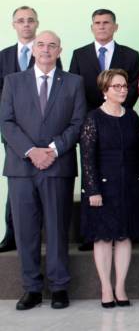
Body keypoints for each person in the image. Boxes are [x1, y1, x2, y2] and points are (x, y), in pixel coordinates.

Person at [0, 31, 85, 310]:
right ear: (33, 49)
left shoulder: (74, 82)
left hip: (57, 165)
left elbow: (77, 123)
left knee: (58, 228)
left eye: (52, 45)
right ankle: (32, 288)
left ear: (60, 50)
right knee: (25, 231)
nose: (46, 49)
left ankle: (59, 287)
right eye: (41, 44)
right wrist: (31, 151)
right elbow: (7, 122)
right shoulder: (13, 81)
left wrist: (53, 149)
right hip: (21, 167)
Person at [79, 69, 139, 308]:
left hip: (130, 186)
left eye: (124, 86)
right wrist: (93, 190)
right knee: (103, 238)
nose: (122, 90)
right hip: (103, 189)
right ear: (104, 91)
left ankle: (120, 287)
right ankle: (106, 288)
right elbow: (87, 158)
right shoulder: (93, 118)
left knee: (124, 236)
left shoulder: (131, 117)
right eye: (116, 87)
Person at [0, 6, 62, 253]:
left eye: (30, 21)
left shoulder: (50, 53)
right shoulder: (3, 56)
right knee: (18, 187)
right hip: (15, 133)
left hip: (47, 140)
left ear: (36, 24)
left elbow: (59, 92)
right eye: (20, 21)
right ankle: (12, 234)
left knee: (44, 189)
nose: (26, 25)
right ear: (13, 24)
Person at [68, 9, 139, 110]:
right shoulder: (79, 54)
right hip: (87, 114)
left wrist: (116, 109)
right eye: (97, 23)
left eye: (106, 22)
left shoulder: (131, 55)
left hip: (120, 114)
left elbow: (134, 87)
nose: (101, 27)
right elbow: (74, 86)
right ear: (92, 28)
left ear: (116, 27)